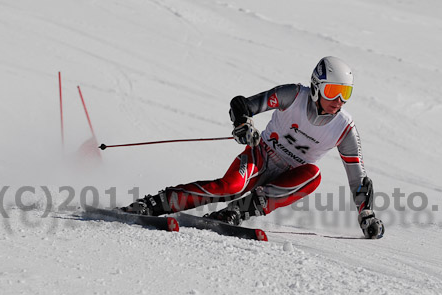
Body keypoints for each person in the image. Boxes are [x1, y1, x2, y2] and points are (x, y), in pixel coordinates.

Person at [122, 56, 384, 239]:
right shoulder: (292, 95)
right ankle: (152, 204)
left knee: (314, 175)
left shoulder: (344, 128)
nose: (338, 101)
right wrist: (243, 124)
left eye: (345, 94)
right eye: (333, 91)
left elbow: (358, 179)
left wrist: (367, 214)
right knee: (229, 187)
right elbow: (242, 104)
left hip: (289, 177)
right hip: (261, 156)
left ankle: (235, 213)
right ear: (317, 87)